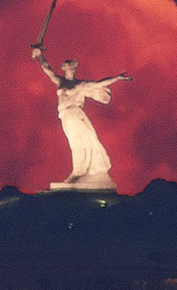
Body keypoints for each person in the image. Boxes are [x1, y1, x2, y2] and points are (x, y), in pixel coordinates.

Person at [31, 37, 129, 191]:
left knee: (81, 142)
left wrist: (116, 78)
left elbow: (99, 83)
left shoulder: (79, 84)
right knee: (74, 144)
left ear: (71, 68)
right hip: (65, 116)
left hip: (75, 114)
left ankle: (80, 171)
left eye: (66, 64)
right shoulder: (60, 81)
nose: (62, 66)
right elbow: (47, 69)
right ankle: (78, 171)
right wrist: (39, 55)